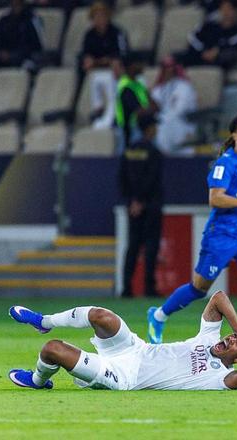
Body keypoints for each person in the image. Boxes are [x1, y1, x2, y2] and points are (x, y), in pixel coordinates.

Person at [147, 115, 237, 360]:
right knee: (198, 289)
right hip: (221, 236)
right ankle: (158, 315)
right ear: (233, 135)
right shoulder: (225, 163)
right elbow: (215, 199)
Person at [7, 290, 237, 391]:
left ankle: (38, 381)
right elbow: (219, 297)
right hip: (135, 349)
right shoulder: (209, 338)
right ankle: (44, 322)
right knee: (101, 316)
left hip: (124, 377)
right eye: (233, 337)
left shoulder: (219, 377)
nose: (231, 339)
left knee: (52, 349)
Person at [119, 113, 163, 298]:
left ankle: (126, 288)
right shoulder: (153, 151)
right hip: (150, 205)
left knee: (133, 247)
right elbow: (151, 179)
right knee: (151, 247)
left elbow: (122, 178)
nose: (156, 129)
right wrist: (142, 200)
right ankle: (149, 288)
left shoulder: (129, 150)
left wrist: (132, 201)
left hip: (133, 207)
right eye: (154, 126)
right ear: (149, 128)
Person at [80, 1, 129, 129]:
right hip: (96, 71)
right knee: (93, 77)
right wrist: (89, 61)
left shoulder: (117, 33)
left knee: (110, 78)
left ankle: (112, 115)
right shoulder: (89, 35)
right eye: (96, 16)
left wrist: (105, 61)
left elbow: (122, 54)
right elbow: (86, 54)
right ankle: (98, 110)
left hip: (114, 71)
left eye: (102, 16)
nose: (99, 19)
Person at [0, 0, 43, 83]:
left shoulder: (32, 19)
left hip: (25, 56)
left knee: (26, 64)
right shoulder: (4, 20)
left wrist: (13, 55)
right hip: (5, 57)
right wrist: (2, 53)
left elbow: (37, 46)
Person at [175, 0, 237, 71]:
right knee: (176, 57)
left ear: (236, 11)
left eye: (229, 9)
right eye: (223, 8)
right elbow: (194, 39)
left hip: (220, 61)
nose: (226, 12)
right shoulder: (210, 26)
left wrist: (217, 52)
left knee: (222, 59)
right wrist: (203, 51)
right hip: (201, 55)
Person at [150, 56, 198, 153]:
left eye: (171, 67)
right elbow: (153, 103)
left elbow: (179, 110)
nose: (169, 70)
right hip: (163, 122)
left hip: (183, 122)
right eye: (166, 67)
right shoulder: (160, 88)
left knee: (166, 123)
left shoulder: (184, 87)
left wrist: (162, 117)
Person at [116, 54, 158, 150]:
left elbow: (155, 105)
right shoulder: (125, 85)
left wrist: (149, 109)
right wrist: (150, 109)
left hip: (142, 127)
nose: (142, 66)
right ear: (131, 66)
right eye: (138, 64)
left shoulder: (138, 84)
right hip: (129, 130)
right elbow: (138, 111)